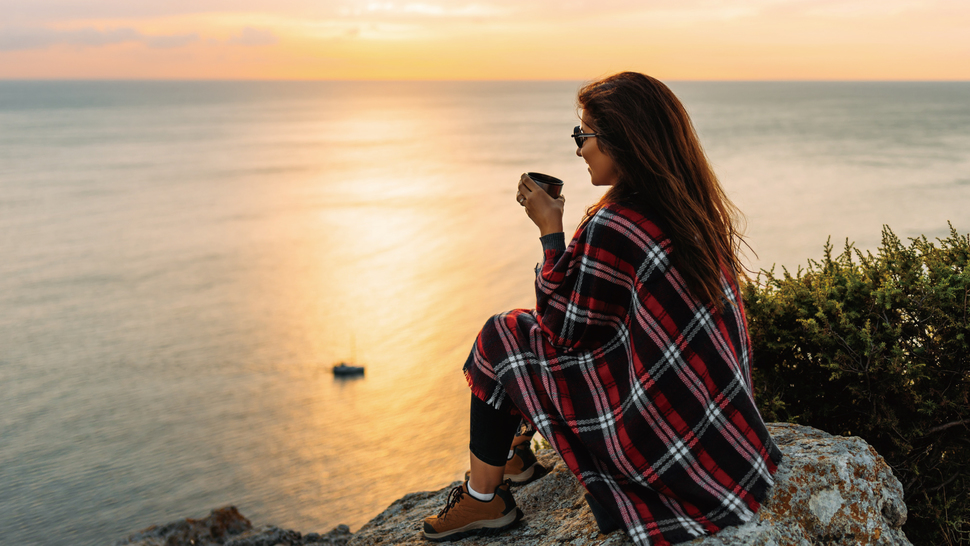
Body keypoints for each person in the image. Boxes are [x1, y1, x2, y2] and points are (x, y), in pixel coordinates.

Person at [422, 72, 783, 546]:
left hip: (653, 438)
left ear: (620, 140)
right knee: (529, 337)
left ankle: (484, 499)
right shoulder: (690, 209)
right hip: (717, 432)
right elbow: (613, 328)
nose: (577, 149)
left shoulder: (617, 223)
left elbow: (562, 329)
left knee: (503, 335)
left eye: (582, 135)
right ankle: (513, 456)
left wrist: (550, 231)